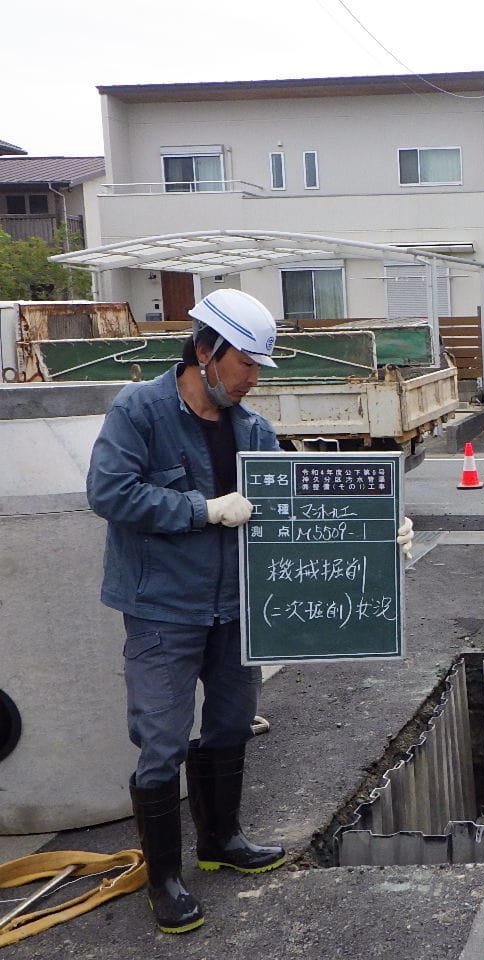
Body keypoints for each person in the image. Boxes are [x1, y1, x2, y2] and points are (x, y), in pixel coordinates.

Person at [86, 288, 415, 933]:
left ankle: (221, 842)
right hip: (162, 609)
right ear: (206, 350)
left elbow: (302, 500)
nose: (254, 379)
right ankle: (166, 879)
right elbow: (109, 491)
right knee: (161, 741)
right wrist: (200, 510)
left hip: (235, 606)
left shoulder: (251, 427)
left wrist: (380, 532)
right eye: (247, 363)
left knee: (232, 723)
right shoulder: (140, 411)